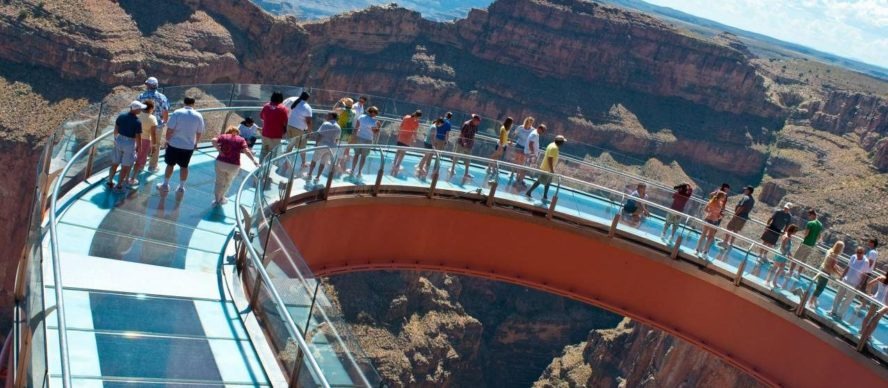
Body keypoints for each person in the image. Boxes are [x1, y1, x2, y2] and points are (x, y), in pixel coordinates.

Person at [156, 97, 204, 193]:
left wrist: (167, 140)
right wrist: (196, 143)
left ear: (184, 102)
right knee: (184, 166)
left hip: (174, 144)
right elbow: (199, 132)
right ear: (193, 104)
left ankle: (165, 185)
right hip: (188, 146)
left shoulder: (177, 112)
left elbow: (170, 129)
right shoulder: (198, 115)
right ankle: (181, 187)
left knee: (170, 165)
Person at [211, 127, 258, 205]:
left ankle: (216, 200)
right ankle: (222, 198)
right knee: (228, 182)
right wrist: (254, 161)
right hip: (234, 165)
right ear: (237, 133)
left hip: (221, 162)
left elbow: (213, 140)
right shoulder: (241, 139)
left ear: (228, 131)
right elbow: (246, 150)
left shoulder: (223, 136)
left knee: (219, 182)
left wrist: (220, 151)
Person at [107, 101, 145, 192]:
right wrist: (139, 148)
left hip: (119, 140)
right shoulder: (137, 122)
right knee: (125, 166)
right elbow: (138, 137)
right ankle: (119, 185)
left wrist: (116, 139)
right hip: (129, 143)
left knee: (115, 163)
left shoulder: (121, 116)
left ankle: (110, 181)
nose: (141, 110)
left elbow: (116, 130)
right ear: (136, 109)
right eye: (140, 109)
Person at [831, 246, 874, 321]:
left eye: (860, 253)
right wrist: (842, 276)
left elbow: (864, 275)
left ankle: (839, 315)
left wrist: (860, 285)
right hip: (846, 280)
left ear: (863, 253)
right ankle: (833, 311)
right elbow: (848, 267)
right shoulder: (853, 257)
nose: (858, 254)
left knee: (848, 300)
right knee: (838, 295)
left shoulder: (866, 262)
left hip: (854, 283)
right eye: (857, 252)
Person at [783, 209, 823, 287]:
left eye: (809, 215)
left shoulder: (810, 223)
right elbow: (819, 236)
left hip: (805, 243)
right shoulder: (820, 224)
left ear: (813, 215)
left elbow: (806, 234)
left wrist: (804, 236)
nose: (809, 217)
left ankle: (790, 271)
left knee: (796, 258)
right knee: (804, 260)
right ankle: (798, 274)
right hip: (811, 245)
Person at [137, 77, 170, 172]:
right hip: (157, 125)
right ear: (156, 86)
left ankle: (140, 165)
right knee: (155, 144)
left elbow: (137, 109)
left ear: (148, 86)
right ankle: (152, 166)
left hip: (143, 124)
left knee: (142, 143)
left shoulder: (141, 96)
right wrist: (164, 122)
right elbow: (165, 111)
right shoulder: (162, 97)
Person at [525, 135, 566, 202]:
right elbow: (550, 158)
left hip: (548, 168)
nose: (563, 143)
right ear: (560, 142)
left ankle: (545, 196)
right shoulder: (554, 148)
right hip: (547, 169)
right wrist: (552, 169)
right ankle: (528, 192)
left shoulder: (552, 144)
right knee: (539, 181)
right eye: (563, 142)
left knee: (548, 182)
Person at [805, 241, 844, 309]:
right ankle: (810, 301)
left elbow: (833, 264)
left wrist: (840, 269)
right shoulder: (834, 255)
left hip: (822, 269)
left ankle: (814, 300)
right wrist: (840, 274)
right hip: (826, 272)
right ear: (840, 248)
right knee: (820, 288)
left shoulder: (830, 251)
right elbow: (832, 267)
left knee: (818, 286)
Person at [305, 112, 342, 184]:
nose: (326, 116)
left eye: (327, 115)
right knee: (323, 163)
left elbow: (319, 135)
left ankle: (309, 174)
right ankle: (317, 177)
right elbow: (337, 139)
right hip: (332, 147)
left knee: (314, 160)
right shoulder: (338, 127)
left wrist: (316, 144)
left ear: (331, 116)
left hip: (322, 145)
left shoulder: (325, 124)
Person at [129, 99, 157, 185]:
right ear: (151, 108)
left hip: (133, 138)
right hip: (145, 141)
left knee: (131, 157)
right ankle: (133, 178)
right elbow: (153, 134)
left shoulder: (137, 115)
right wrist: (154, 145)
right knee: (140, 159)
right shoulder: (152, 118)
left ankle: (127, 175)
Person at [349, 106, 381, 179]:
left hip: (359, 137)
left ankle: (352, 170)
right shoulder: (374, 122)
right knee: (363, 157)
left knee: (356, 155)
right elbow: (375, 132)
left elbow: (356, 128)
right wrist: (379, 127)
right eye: (375, 112)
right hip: (368, 140)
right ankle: (359, 172)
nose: (376, 114)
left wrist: (353, 137)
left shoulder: (361, 117)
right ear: (372, 112)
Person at [284, 91, 313, 168]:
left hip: (289, 126)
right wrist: (310, 132)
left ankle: (286, 163)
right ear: (307, 99)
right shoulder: (307, 107)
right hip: (298, 129)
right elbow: (309, 122)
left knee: (290, 145)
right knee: (302, 147)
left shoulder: (295, 103)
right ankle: (303, 163)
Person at [696, 190, 727, 258]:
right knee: (704, 235)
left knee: (709, 237)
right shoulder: (713, 201)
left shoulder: (720, 203)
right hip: (710, 219)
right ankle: (698, 250)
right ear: (721, 196)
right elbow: (706, 209)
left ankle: (704, 251)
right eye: (724, 197)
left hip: (714, 220)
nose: (724, 198)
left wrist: (719, 215)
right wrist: (711, 212)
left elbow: (717, 213)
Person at [449, 114, 481, 179]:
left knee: (468, 159)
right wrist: (464, 142)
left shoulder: (475, 126)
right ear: (474, 120)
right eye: (477, 121)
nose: (478, 123)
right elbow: (462, 134)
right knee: (456, 156)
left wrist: (472, 142)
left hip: (469, 145)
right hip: (461, 144)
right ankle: (452, 169)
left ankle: (466, 173)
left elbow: (473, 134)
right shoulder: (466, 124)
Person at [259, 92, 289, 161]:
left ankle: (261, 167)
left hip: (265, 133)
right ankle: (271, 169)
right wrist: (284, 132)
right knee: (274, 154)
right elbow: (285, 123)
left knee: (264, 151)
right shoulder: (283, 109)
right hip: (277, 135)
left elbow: (261, 117)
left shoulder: (266, 106)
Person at [392, 110, 421, 176]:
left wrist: (398, 133)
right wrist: (415, 139)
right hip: (407, 139)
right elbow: (415, 132)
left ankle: (394, 163)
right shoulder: (416, 123)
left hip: (401, 136)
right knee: (403, 152)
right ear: (418, 116)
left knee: (398, 151)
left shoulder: (406, 117)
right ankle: (398, 165)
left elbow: (401, 125)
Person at [334, 97, 357, 172]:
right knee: (342, 148)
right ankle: (337, 163)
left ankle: (333, 162)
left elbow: (334, 109)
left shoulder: (342, 110)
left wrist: (339, 101)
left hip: (339, 131)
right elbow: (351, 108)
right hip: (347, 133)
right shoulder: (353, 112)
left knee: (335, 146)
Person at [511, 117, 535, 185]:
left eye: (531, 122)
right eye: (528, 121)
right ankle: (515, 174)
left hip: (525, 148)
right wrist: (511, 141)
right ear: (526, 121)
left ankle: (518, 176)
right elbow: (514, 134)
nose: (529, 123)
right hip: (518, 145)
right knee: (517, 161)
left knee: (522, 161)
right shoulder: (520, 127)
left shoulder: (533, 130)